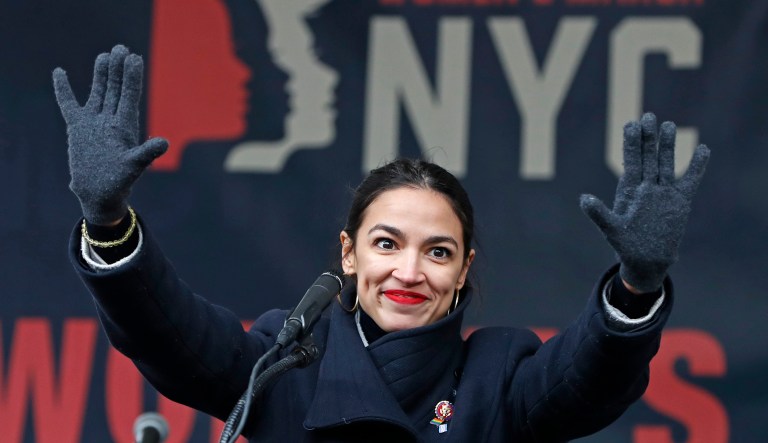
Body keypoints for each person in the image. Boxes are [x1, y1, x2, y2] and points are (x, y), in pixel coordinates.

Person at [53, 45, 710, 442]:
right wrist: (109, 220)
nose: (409, 269)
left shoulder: (501, 374)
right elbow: (170, 333)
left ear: (463, 270)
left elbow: (587, 377)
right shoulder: (284, 361)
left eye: (438, 251)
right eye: (387, 242)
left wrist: (636, 284)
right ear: (349, 253)